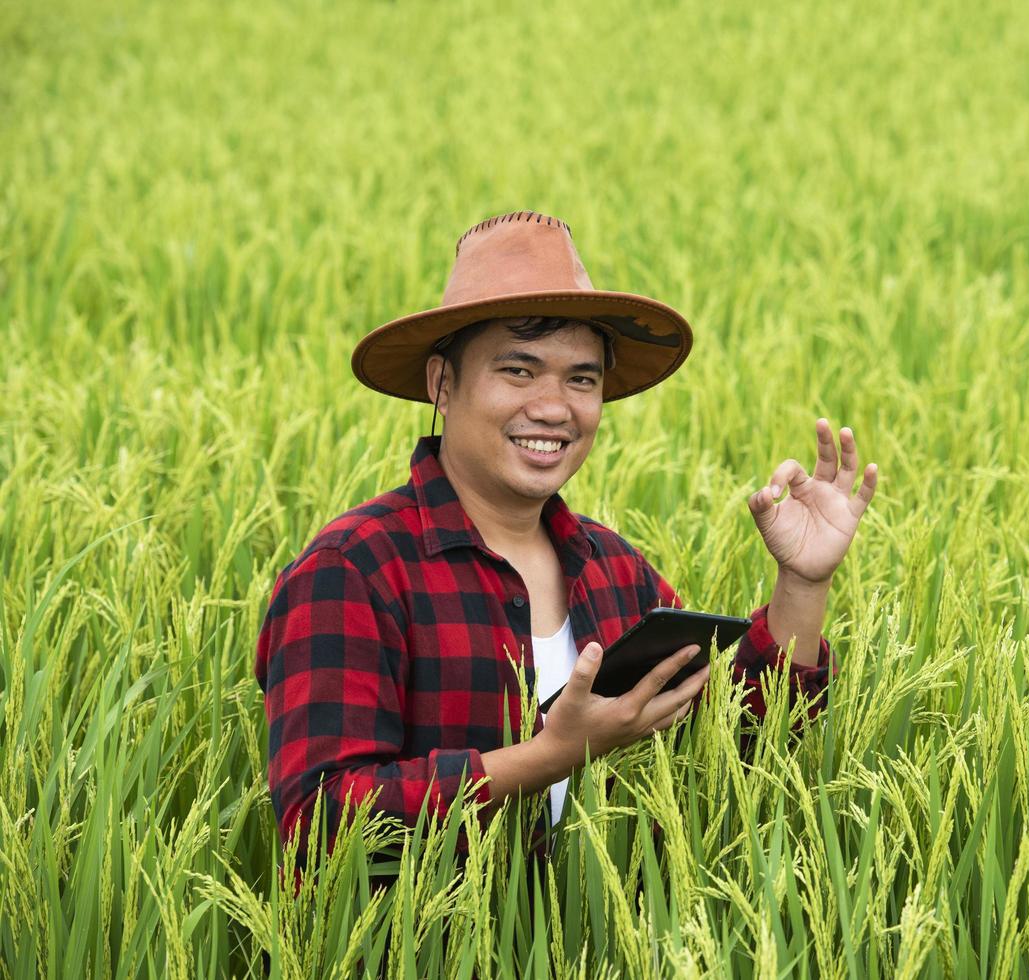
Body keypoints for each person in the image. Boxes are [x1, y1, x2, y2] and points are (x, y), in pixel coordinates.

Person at [254, 210, 879, 856]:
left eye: (581, 378)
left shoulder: (614, 570)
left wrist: (804, 582)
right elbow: (320, 820)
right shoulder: (353, 570)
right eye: (518, 372)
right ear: (443, 383)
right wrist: (551, 755)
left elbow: (735, 747)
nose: (554, 407)